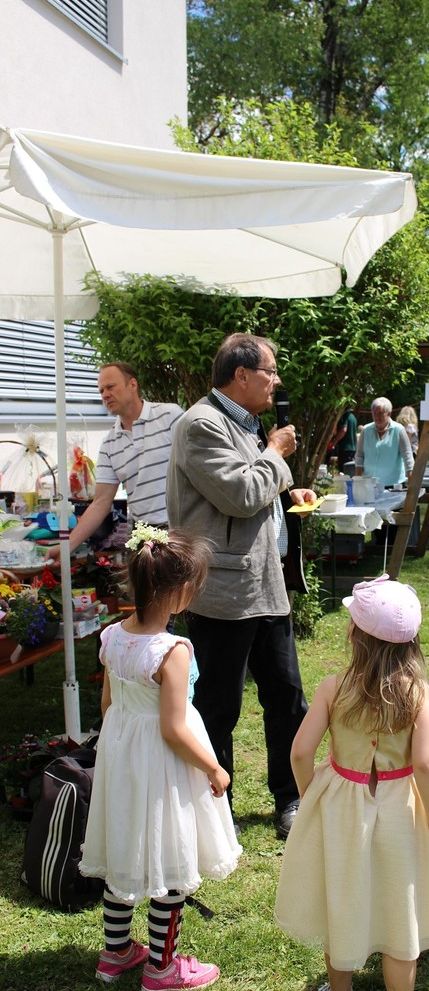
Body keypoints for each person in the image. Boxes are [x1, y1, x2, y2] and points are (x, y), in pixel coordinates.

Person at [274, 574, 429, 991]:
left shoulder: (333, 688)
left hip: (341, 806)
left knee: (343, 901)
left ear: (355, 635)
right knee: (400, 914)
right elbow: (426, 763)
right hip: (402, 812)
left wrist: (312, 796)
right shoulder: (421, 695)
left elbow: (300, 752)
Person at [79, 524, 241, 991]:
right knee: (170, 854)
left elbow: (108, 705)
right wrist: (213, 767)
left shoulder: (111, 637)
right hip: (166, 765)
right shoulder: (172, 650)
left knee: (125, 847)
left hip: (122, 758)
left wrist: (123, 746)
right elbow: (173, 728)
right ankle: (162, 967)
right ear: (180, 592)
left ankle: (115, 954)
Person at [167, 333, 314, 839]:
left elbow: (256, 487)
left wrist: (287, 494)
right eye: (270, 371)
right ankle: (214, 808)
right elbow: (240, 493)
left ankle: (290, 797)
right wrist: (275, 452)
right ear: (241, 375)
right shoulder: (201, 424)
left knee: (287, 697)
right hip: (224, 590)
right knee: (218, 706)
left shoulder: (246, 424)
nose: (276, 380)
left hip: (266, 583)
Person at [46, 362, 183, 561]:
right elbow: (100, 503)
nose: (105, 395)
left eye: (110, 387)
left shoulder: (170, 416)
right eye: (101, 390)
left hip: (181, 531)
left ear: (132, 385)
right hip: (145, 536)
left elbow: (197, 467)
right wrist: (67, 547)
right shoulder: (109, 443)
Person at [355, 397, 414, 488]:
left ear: (389, 414)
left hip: (394, 485)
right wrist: (358, 481)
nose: (377, 417)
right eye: (374, 414)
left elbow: (408, 457)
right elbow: (359, 456)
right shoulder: (366, 430)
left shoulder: (399, 430)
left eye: (380, 414)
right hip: (369, 484)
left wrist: (412, 484)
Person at [327, 406, 358, 470]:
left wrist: (334, 441)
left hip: (344, 448)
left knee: (343, 471)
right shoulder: (353, 417)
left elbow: (343, 430)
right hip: (352, 449)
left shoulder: (345, 416)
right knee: (350, 470)